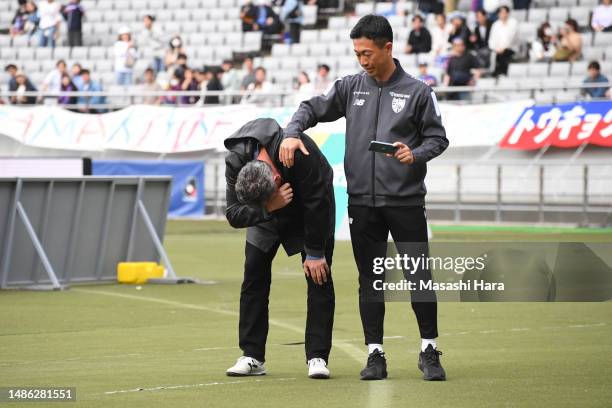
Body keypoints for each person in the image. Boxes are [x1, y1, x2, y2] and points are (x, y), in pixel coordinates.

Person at [279, 14, 448, 382]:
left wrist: (415, 154)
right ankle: (375, 354)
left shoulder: (419, 92)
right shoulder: (350, 87)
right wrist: (292, 132)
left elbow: (438, 138)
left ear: (388, 47)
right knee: (370, 280)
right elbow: (311, 108)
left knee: (418, 276)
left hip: (405, 202)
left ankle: (429, 350)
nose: (362, 60)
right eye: (357, 53)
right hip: (362, 203)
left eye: (367, 53)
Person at [224, 118, 336, 379]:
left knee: (318, 276)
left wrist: (315, 252)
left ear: (276, 176)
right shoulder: (234, 162)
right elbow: (233, 214)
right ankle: (252, 356)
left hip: (309, 211)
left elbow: (318, 202)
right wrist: (267, 208)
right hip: (265, 216)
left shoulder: (296, 150)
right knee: (253, 277)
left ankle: (317, 356)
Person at [488, 6, 518, 76]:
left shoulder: (513, 22)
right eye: (501, 13)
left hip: (510, 48)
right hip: (497, 50)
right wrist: (495, 48)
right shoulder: (495, 24)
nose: (502, 14)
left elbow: (511, 38)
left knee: (503, 55)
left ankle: (503, 73)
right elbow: (492, 40)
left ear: (508, 13)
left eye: (504, 12)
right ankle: (494, 74)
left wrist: (503, 48)